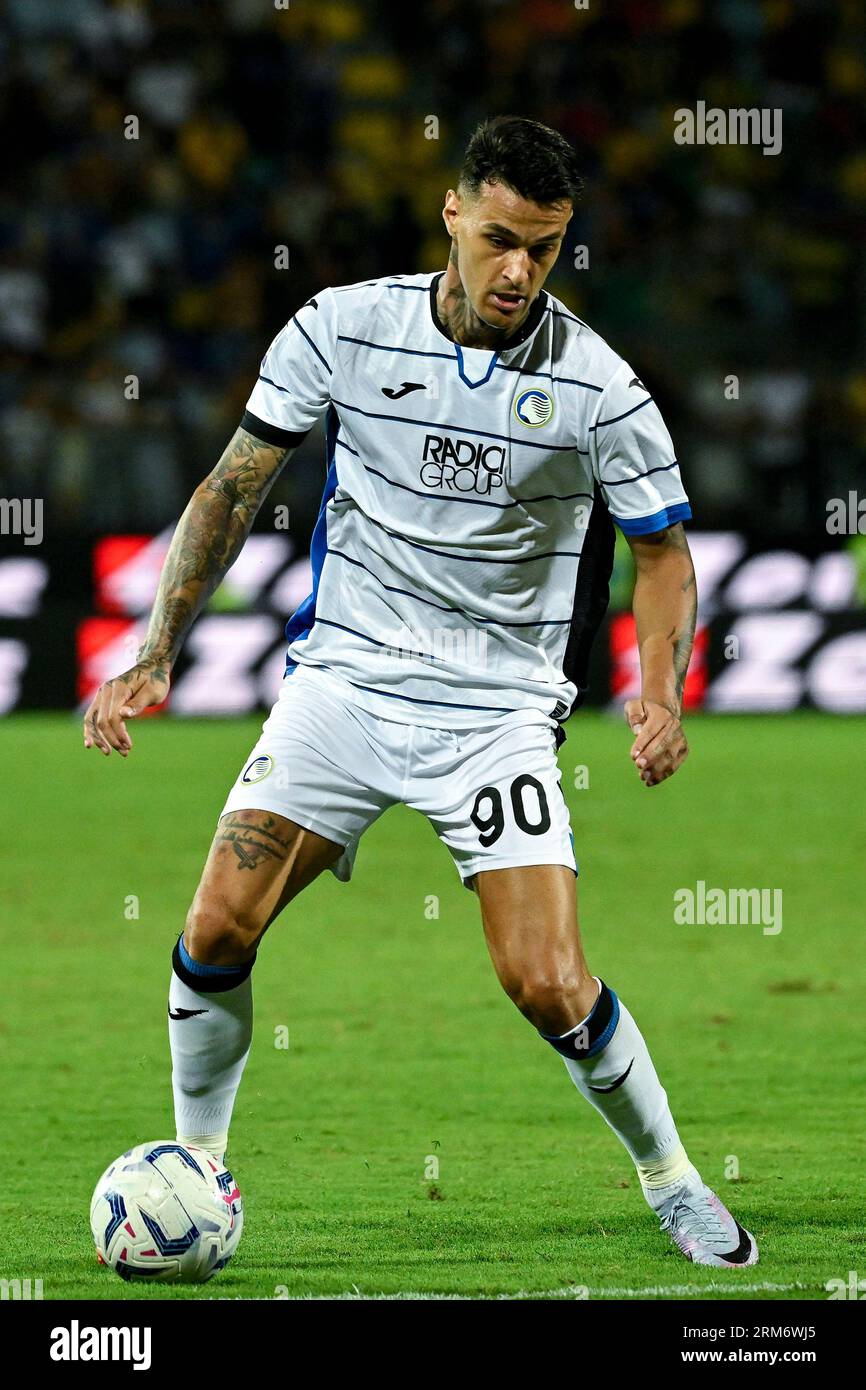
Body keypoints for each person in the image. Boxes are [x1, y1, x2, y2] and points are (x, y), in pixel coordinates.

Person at [83, 115, 757, 1268]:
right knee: (214, 926)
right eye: (498, 239)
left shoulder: (598, 389)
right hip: (343, 683)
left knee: (545, 981)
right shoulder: (342, 328)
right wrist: (155, 647)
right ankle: (201, 1166)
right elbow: (233, 486)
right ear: (451, 212)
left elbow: (660, 551)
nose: (516, 272)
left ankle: (671, 1177)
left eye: (542, 251)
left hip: (495, 713)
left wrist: (660, 691)